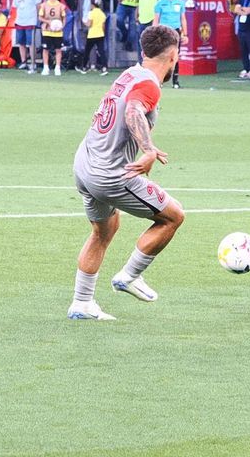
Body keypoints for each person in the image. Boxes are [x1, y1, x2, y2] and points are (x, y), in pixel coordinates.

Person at [67, 25, 185, 321]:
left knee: (104, 230)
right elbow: (133, 110)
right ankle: (130, 276)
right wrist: (148, 149)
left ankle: (82, 302)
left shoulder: (130, 74)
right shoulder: (149, 84)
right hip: (109, 174)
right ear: (173, 55)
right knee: (173, 216)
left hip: (84, 164)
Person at [153, 0, 188, 89]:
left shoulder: (180, 3)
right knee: (162, 56)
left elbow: (183, 19)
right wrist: (154, 33)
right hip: (163, 31)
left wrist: (185, 34)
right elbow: (156, 19)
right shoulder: (160, 3)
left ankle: (175, 81)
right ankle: (160, 80)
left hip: (176, 31)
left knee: (175, 56)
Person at [11, 0, 42, 73]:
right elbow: (15, 8)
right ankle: (23, 62)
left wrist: (38, 18)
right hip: (19, 21)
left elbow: (39, 6)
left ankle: (33, 63)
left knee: (31, 43)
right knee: (21, 43)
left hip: (30, 21)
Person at [39, 0, 68, 76]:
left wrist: (62, 26)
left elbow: (64, 18)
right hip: (47, 31)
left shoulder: (61, 6)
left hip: (57, 32)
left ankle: (57, 68)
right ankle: (46, 67)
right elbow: (40, 17)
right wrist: (48, 22)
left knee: (58, 49)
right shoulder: (44, 5)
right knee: (45, 49)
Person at [79, 0, 109, 76]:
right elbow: (103, 26)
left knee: (87, 51)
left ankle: (84, 67)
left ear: (92, 5)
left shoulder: (91, 13)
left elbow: (89, 24)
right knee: (101, 52)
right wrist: (102, 33)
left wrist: (84, 22)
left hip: (92, 35)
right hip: (100, 34)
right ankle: (104, 68)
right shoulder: (102, 14)